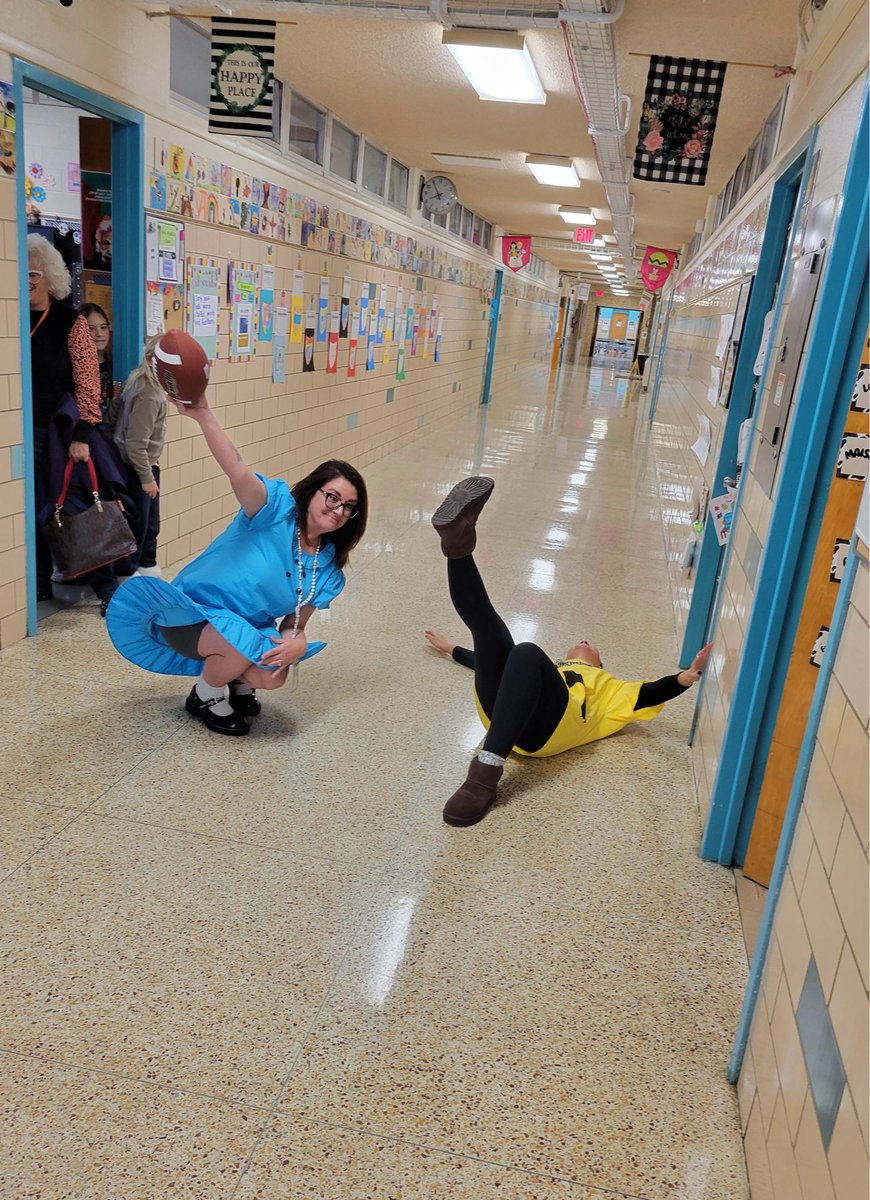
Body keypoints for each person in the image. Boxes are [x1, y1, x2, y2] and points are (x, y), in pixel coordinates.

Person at [429, 476, 712, 827]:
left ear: (598, 662)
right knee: (491, 632)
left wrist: (687, 677)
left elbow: (651, 693)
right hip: (500, 713)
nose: (584, 641)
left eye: (592, 645)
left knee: (526, 652)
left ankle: (482, 776)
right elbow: (483, 662)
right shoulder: (551, 670)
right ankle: (457, 545)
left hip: (545, 732)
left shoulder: (611, 688)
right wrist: (450, 649)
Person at [106, 390, 368, 736]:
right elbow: (236, 467)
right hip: (191, 616)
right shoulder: (271, 510)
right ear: (312, 492)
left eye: (348, 506)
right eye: (332, 497)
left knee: (273, 675)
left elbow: (295, 620)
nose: (338, 509)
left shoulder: (327, 569)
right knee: (236, 643)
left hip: (241, 629)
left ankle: (234, 676)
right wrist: (202, 413)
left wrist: (296, 642)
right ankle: (207, 694)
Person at [28, 234, 118, 614]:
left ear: (49, 277)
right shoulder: (9, 314)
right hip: (20, 429)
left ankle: (108, 588)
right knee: (31, 507)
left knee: (76, 503)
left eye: (34, 272)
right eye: (21, 272)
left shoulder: (70, 321)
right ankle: (39, 583)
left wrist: (83, 434)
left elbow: (88, 380)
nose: (27, 280)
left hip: (61, 429)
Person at [112, 335, 167, 577]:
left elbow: (115, 412)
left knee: (150, 524)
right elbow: (136, 444)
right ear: (149, 360)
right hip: (138, 468)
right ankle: (131, 575)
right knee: (140, 525)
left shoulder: (141, 383)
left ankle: (147, 565)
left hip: (143, 465)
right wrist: (146, 478)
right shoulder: (149, 394)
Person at [77, 302, 115, 424]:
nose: (99, 334)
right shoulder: (74, 368)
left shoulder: (115, 364)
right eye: (91, 329)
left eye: (103, 327)